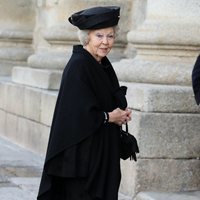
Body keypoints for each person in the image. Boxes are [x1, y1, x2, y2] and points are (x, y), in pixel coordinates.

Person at [37, 6, 132, 200]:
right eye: (99, 36)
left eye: (110, 36)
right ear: (87, 37)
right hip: (81, 162)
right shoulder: (79, 65)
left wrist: (121, 112)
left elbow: (102, 99)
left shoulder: (100, 63)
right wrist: (108, 117)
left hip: (99, 155)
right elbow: (73, 114)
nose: (106, 42)